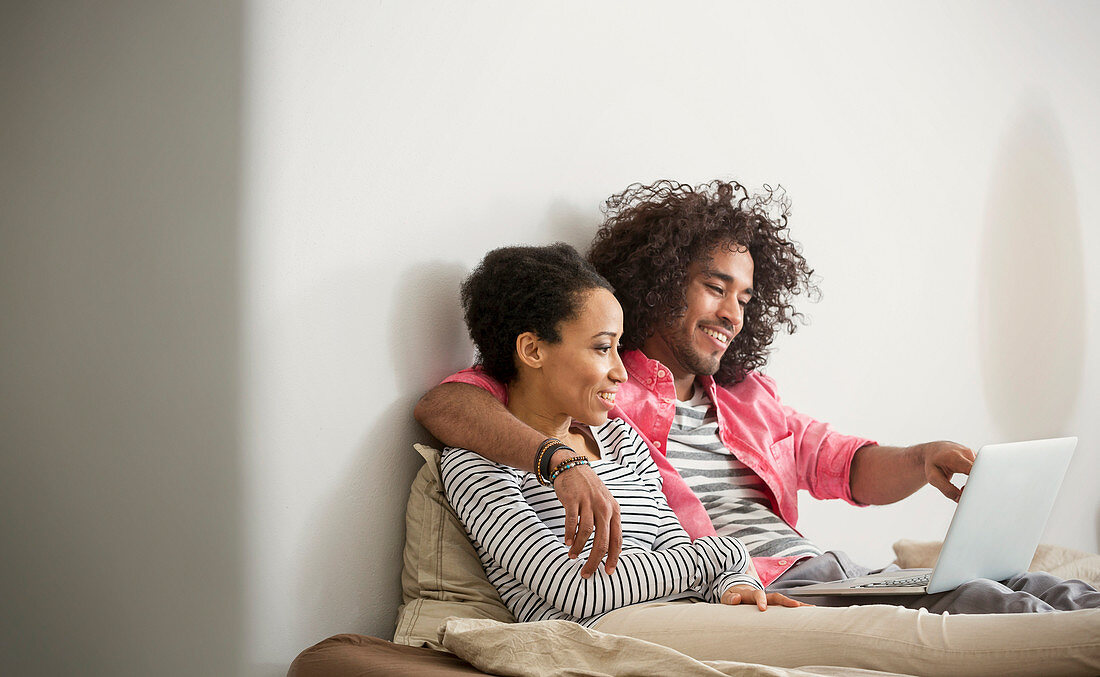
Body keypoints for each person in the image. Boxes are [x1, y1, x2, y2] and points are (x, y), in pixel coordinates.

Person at [419, 179, 1100, 613]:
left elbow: (840, 460)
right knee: (998, 606)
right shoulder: (600, 389)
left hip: (819, 568)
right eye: (715, 287)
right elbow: (450, 406)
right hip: (767, 583)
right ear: (658, 281)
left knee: (1046, 589)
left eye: (745, 296)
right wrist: (561, 461)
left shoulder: (747, 397)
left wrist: (921, 460)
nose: (733, 312)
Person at [440, 243, 809, 624]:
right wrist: (725, 555)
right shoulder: (474, 464)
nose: (619, 371)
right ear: (533, 350)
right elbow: (578, 592)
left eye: (618, 347)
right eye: (602, 348)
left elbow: (675, 546)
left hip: (686, 619)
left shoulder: (622, 441)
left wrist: (733, 586)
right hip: (601, 637)